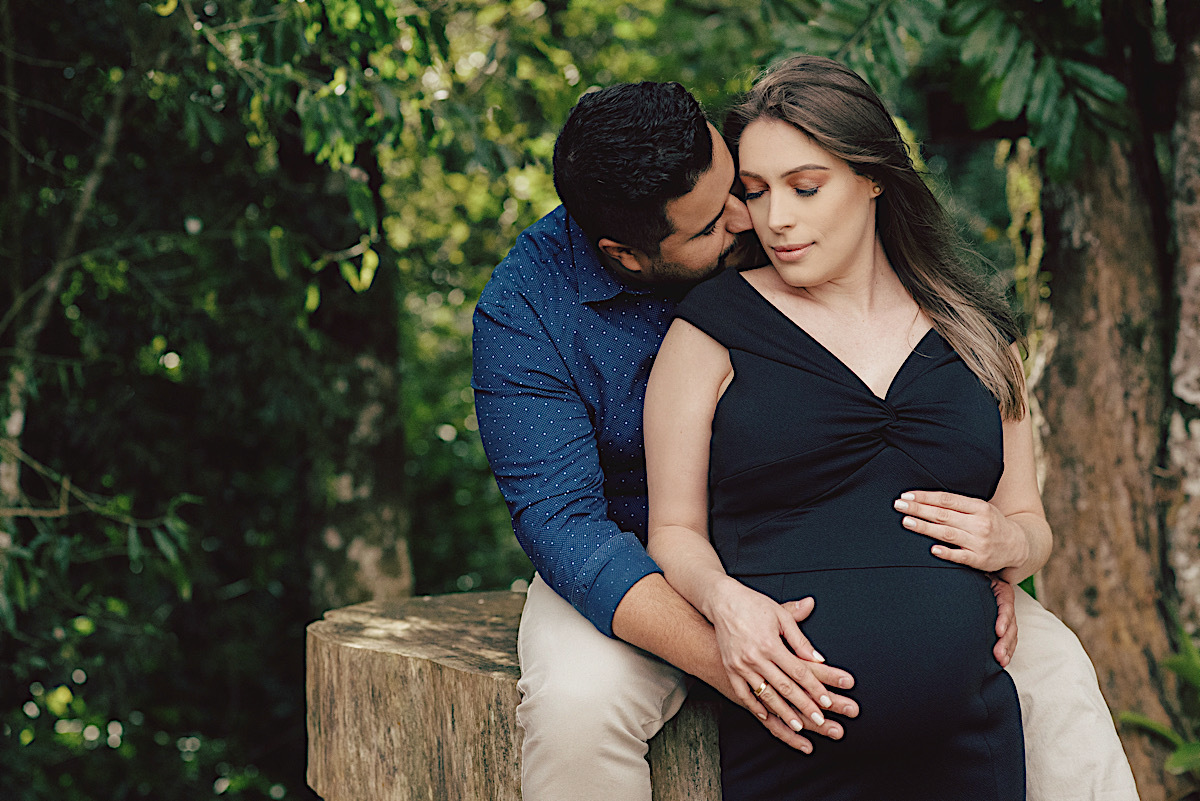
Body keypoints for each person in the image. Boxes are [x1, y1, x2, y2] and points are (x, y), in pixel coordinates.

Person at [471, 78, 1138, 801]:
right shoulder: (527, 313)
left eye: (741, 187)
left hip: (841, 542)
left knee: (1058, 672)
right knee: (578, 705)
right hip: (644, 567)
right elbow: (568, 530)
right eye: (710, 226)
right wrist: (740, 656)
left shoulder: (781, 221)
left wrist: (997, 561)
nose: (749, 220)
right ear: (630, 255)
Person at [644, 53, 1041, 799]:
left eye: (805, 186)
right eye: (755, 193)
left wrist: (1011, 541)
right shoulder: (709, 331)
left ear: (874, 176)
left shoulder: (979, 331)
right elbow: (673, 529)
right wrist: (726, 603)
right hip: (793, 745)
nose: (776, 219)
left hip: (969, 745)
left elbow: (1030, 520)